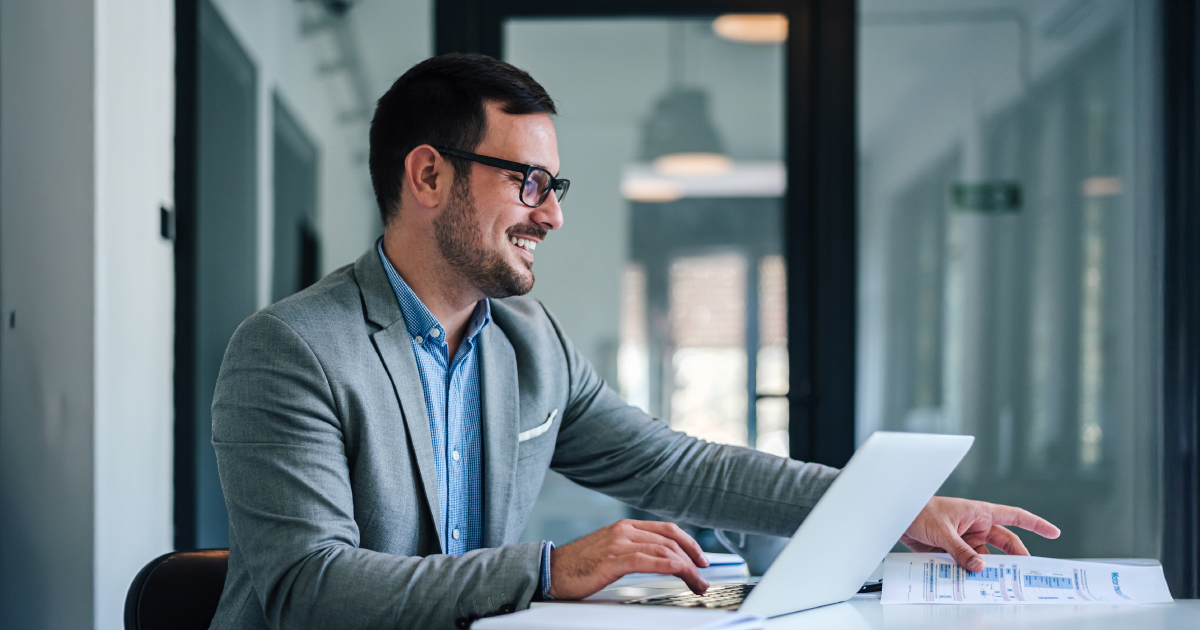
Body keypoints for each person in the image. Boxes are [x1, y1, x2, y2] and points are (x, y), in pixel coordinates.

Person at [207, 53, 1060, 630]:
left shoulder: (527, 341)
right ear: (429, 175)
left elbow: (678, 468)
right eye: (529, 182)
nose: (552, 214)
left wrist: (890, 507)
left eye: (555, 185)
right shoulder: (290, 350)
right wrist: (547, 568)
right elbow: (305, 587)